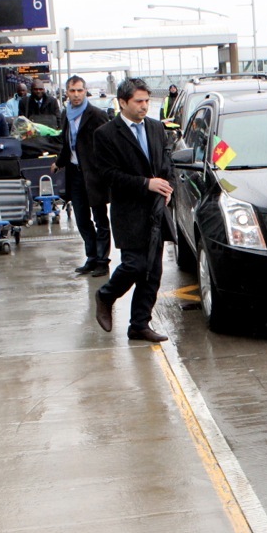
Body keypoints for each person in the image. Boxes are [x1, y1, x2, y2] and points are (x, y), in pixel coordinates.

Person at [92, 78, 176, 343]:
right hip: (128, 210)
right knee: (134, 264)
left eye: (147, 101)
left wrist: (169, 188)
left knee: (152, 272)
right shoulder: (106, 134)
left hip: (156, 210)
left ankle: (139, 325)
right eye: (139, 101)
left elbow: (167, 163)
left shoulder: (156, 128)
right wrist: (146, 184)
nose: (144, 106)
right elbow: (108, 175)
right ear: (122, 102)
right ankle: (106, 295)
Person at [54, 75, 112, 277]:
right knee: (81, 218)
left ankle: (103, 261)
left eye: (80, 90)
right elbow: (67, 144)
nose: (76, 95)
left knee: (100, 219)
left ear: (85, 91)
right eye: (72, 91)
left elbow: (107, 144)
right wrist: (59, 162)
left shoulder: (96, 115)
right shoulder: (66, 114)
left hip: (94, 175)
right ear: (67, 93)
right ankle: (92, 257)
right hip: (75, 174)